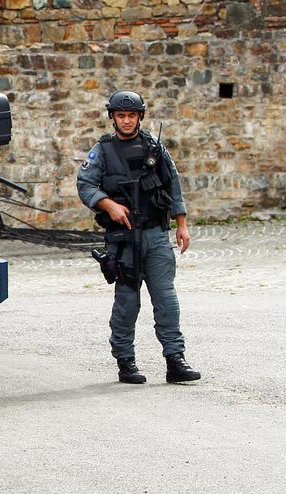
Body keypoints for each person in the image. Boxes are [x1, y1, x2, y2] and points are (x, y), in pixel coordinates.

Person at [77, 90, 201, 384]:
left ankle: (175, 359)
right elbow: (85, 184)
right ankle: (125, 360)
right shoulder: (102, 151)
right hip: (124, 239)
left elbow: (173, 185)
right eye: (121, 115)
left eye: (132, 115)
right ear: (113, 118)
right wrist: (108, 204)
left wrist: (181, 224)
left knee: (166, 299)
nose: (127, 120)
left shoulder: (154, 147)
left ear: (140, 117)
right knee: (127, 302)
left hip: (157, 235)